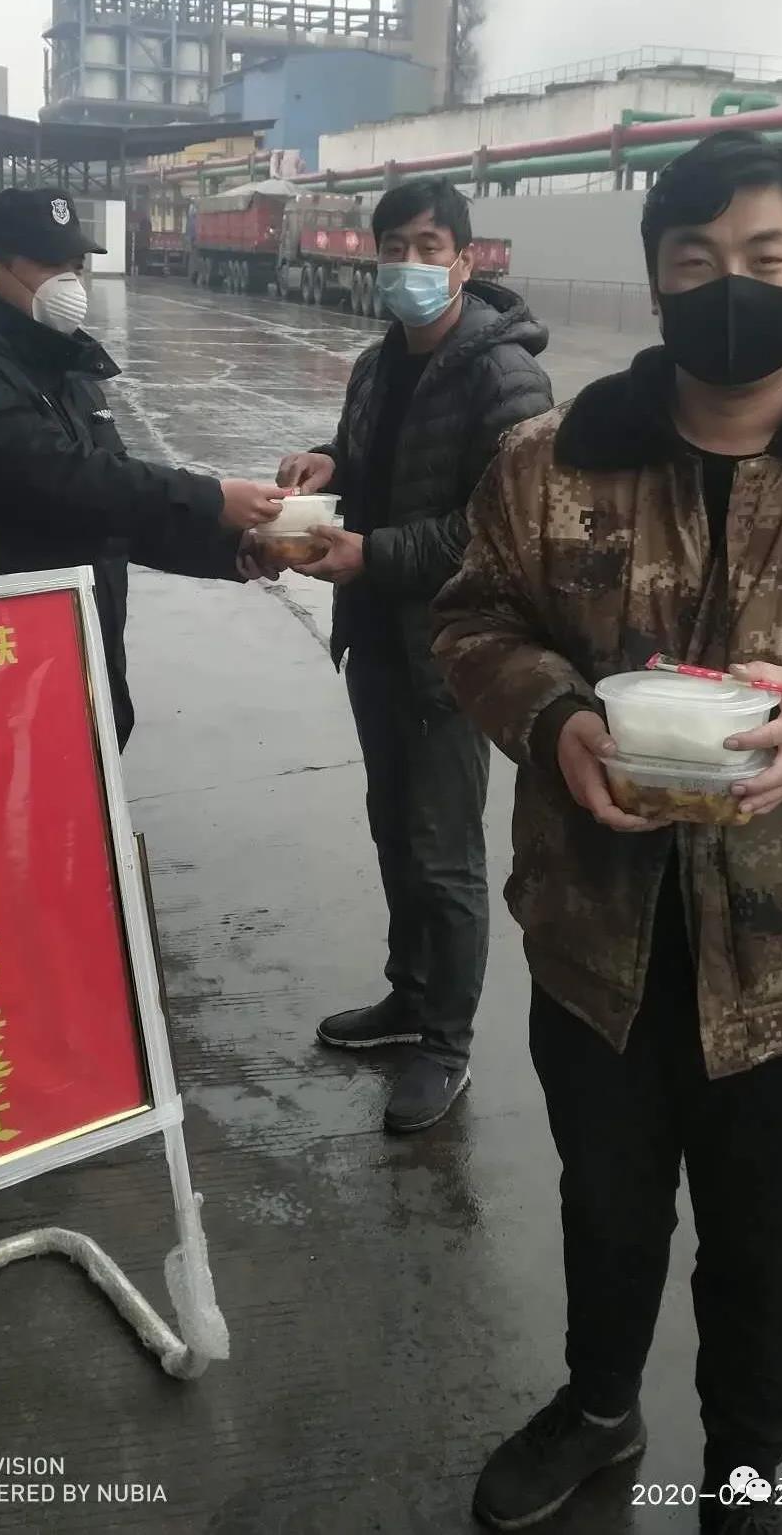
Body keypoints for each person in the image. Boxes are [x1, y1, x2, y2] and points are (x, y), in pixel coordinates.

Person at [432, 132, 782, 1531]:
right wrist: (552, 717)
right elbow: (473, 620)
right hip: (598, 935)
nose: (731, 287)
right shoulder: (550, 460)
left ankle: (747, 1474)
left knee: (767, 1244)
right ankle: (600, 1406)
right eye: (697, 260)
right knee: (607, 1206)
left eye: (765, 258)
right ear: (656, 278)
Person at [276, 179, 553, 1134]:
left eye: (428, 246)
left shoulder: (505, 378)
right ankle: (408, 995)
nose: (409, 264)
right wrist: (330, 464)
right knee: (394, 830)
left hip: (451, 651)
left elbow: (501, 530)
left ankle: (446, 1041)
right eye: (393, 246)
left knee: (443, 855)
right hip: (377, 638)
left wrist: (375, 555)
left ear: (466, 260)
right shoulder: (377, 363)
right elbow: (377, 462)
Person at [0, 187, 283, 750]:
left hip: (72, 653)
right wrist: (212, 499)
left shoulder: (58, 359)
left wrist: (229, 548)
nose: (68, 283)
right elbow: (58, 478)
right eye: (49, 265)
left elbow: (107, 504)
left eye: (74, 265)